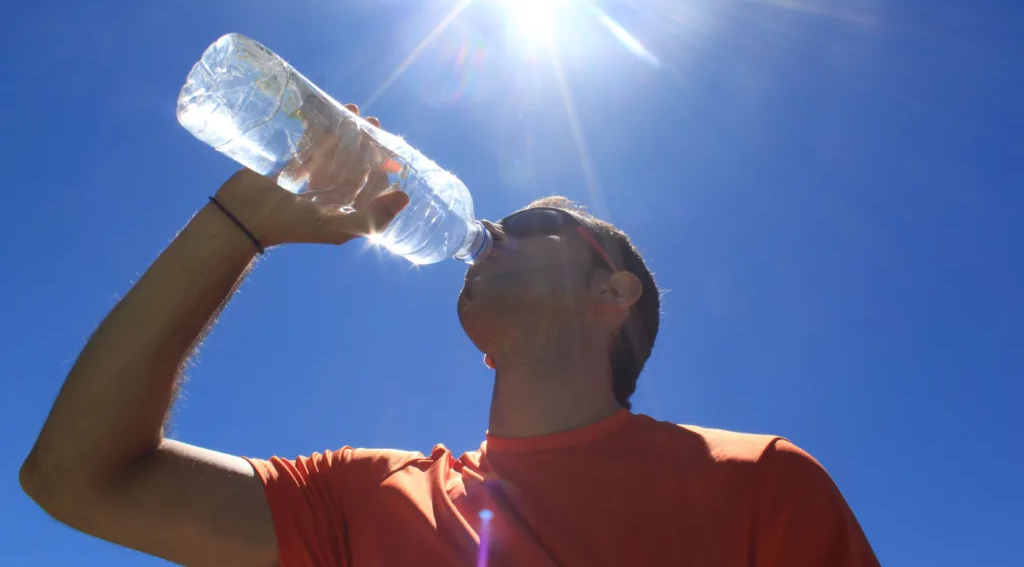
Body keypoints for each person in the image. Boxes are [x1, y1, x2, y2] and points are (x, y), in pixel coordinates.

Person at [20, 105, 879, 567]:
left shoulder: (758, 483)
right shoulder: (366, 498)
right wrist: (239, 223)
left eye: (536, 224)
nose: (496, 228)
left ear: (612, 292)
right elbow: (76, 480)